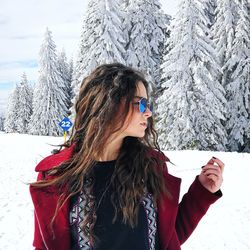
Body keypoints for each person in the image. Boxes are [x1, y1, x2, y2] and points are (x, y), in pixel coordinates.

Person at [30, 63, 224, 250]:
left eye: (148, 105)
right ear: (110, 104)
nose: (148, 112)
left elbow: (167, 237)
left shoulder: (150, 166)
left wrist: (202, 192)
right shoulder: (57, 177)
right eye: (141, 104)